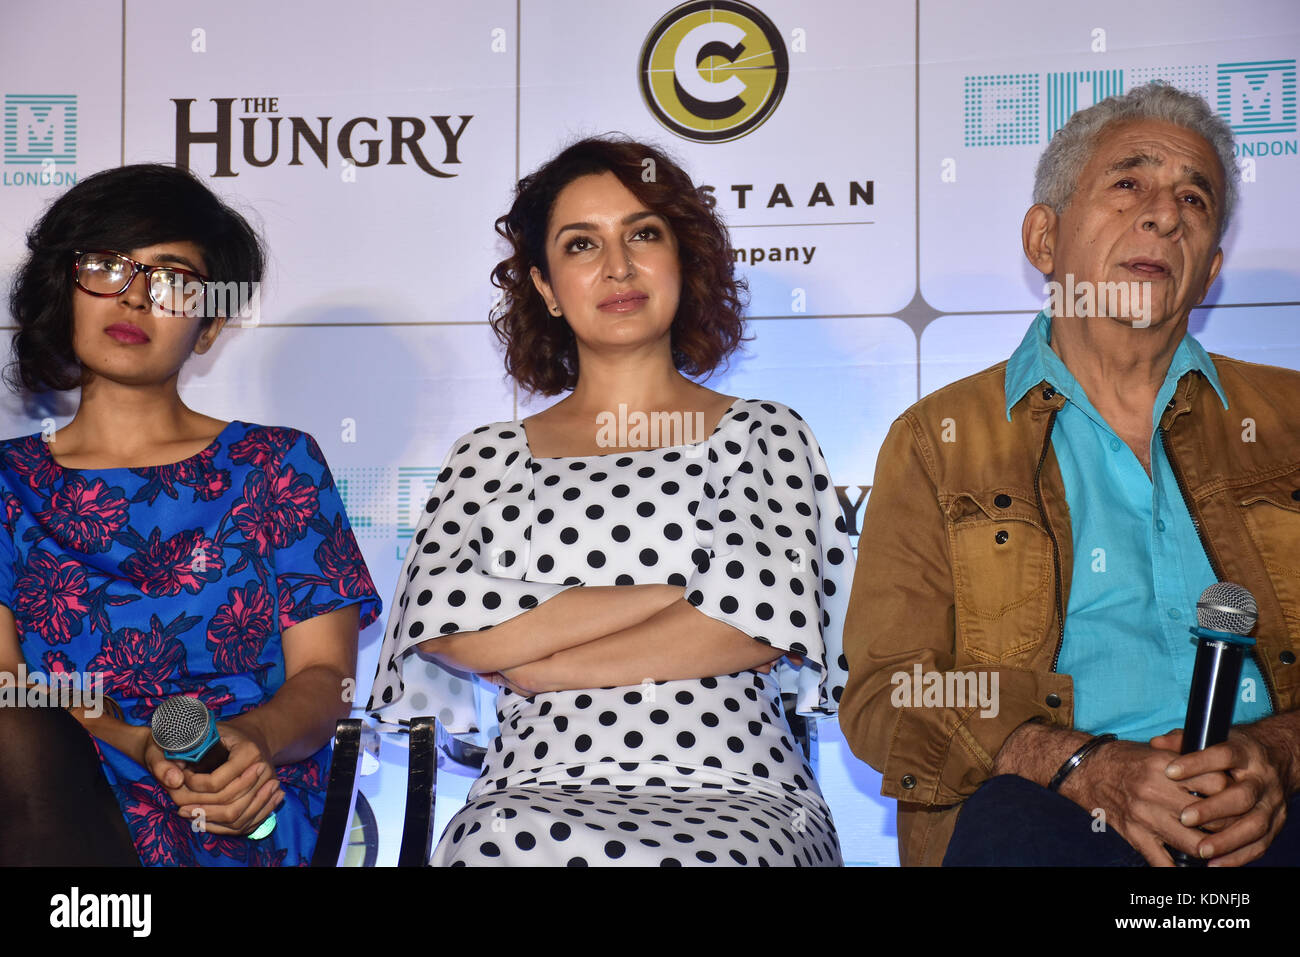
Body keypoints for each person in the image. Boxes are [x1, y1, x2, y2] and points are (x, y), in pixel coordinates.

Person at [840, 82, 1300, 867]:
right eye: (1129, 182)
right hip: (1054, 820)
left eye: (1194, 196)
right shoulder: (939, 441)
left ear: (1212, 266)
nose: (1164, 213)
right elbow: (890, 693)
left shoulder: (1288, 419)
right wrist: (1076, 762)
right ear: (1044, 239)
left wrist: (1276, 754)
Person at [368, 136, 852, 866]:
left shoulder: (762, 431)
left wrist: (541, 662)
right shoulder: (487, 454)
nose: (618, 267)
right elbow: (450, 630)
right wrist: (675, 593)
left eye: (643, 235)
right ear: (544, 286)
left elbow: (752, 628)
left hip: (736, 795)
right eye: (581, 244)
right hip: (526, 793)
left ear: (683, 260)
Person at [0, 164, 381, 866]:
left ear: (208, 327)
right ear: (63, 290)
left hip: (234, 787)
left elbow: (325, 678)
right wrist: (132, 738)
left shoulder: (278, 465)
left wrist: (254, 740)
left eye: (174, 278)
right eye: (109, 266)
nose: (137, 296)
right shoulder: (6, 481)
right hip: (54, 791)